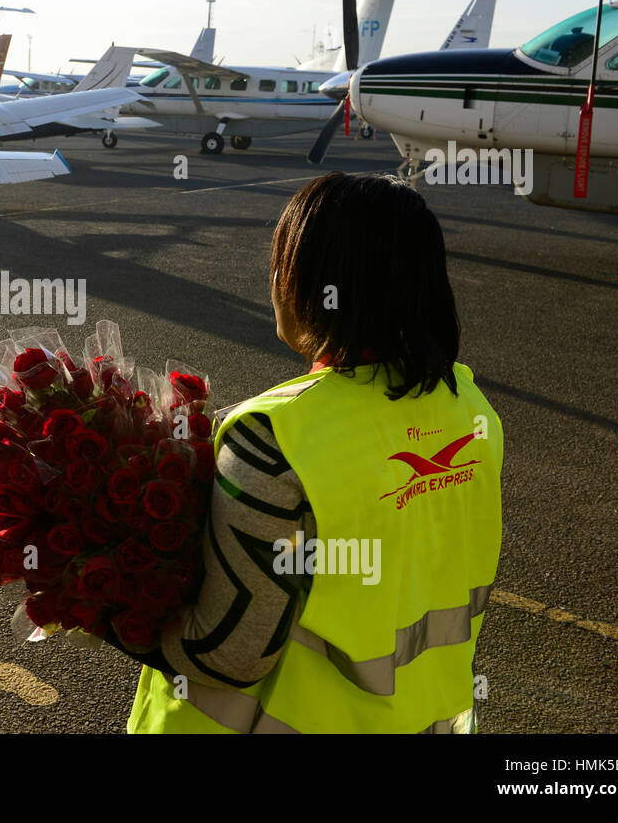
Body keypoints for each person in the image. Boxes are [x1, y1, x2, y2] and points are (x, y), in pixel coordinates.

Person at [116, 171, 504, 734]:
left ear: (312, 284)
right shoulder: (470, 409)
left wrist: (93, 605)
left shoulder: (273, 436)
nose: (272, 280)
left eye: (282, 263)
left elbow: (228, 654)